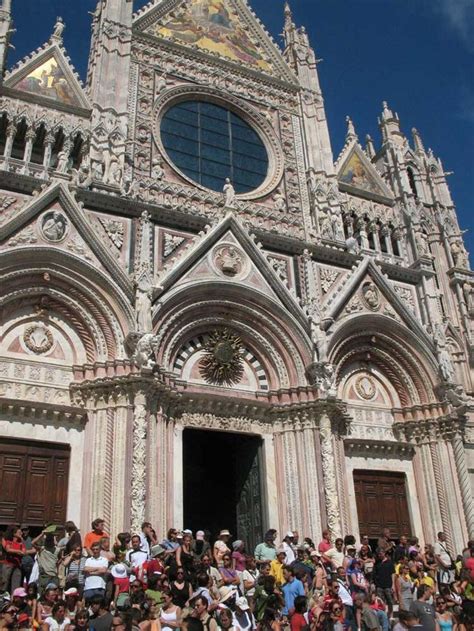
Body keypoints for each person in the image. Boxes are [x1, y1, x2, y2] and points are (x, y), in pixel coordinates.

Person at [0, 525, 35, 593]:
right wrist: (18, 551)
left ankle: (13, 599)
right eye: (19, 533)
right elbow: (8, 549)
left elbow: (24, 551)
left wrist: (21, 540)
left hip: (17, 565)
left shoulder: (20, 542)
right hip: (8, 564)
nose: (21, 533)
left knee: (16, 584)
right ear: (14, 534)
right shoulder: (8, 540)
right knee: (4, 583)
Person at [373, 549, 395, 618]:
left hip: (388, 584)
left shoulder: (390, 562)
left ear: (384, 553)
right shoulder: (377, 563)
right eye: (378, 554)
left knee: (390, 601)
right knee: (381, 601)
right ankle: (384, 614)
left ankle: (391, 615)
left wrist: (393, 584)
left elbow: (393, 574)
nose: (379, 555)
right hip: (379, 585)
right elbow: (375, 574)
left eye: (381, 553)